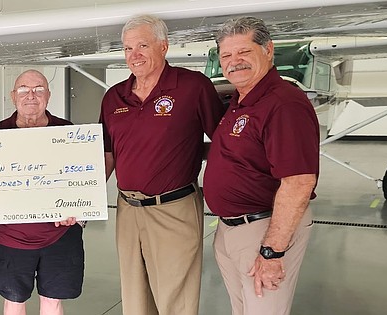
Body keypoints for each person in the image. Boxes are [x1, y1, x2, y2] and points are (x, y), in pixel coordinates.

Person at [99, 14, 225, 315]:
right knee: (135, 298)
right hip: (127, 210)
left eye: (143, 45)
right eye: (128, 49)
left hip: (174, 208)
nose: (135, 55)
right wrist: (80, 198)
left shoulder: (193, 87)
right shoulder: (114, 97)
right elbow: (107, 154)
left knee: (175, 299)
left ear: (164, 46)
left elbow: (222, 142)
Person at [204, 16, 318, 315]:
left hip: (263, 230)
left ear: (268, 49)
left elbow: (299, 182)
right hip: (232, 229)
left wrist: (272, 251)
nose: (234, 62)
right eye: (226, 55)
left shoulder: (283, 104)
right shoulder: (242, 100)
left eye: (243, 52)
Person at [0, 69, 84, 315]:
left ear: (49, 95)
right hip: (11, 237)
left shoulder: (68, 132)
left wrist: (79, 213)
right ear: (13, 96)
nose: (31, 96)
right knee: (14, 300)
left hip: (60, 235)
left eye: (38, 89)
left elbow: (81, 180)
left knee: (52, 300)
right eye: (24, 90)